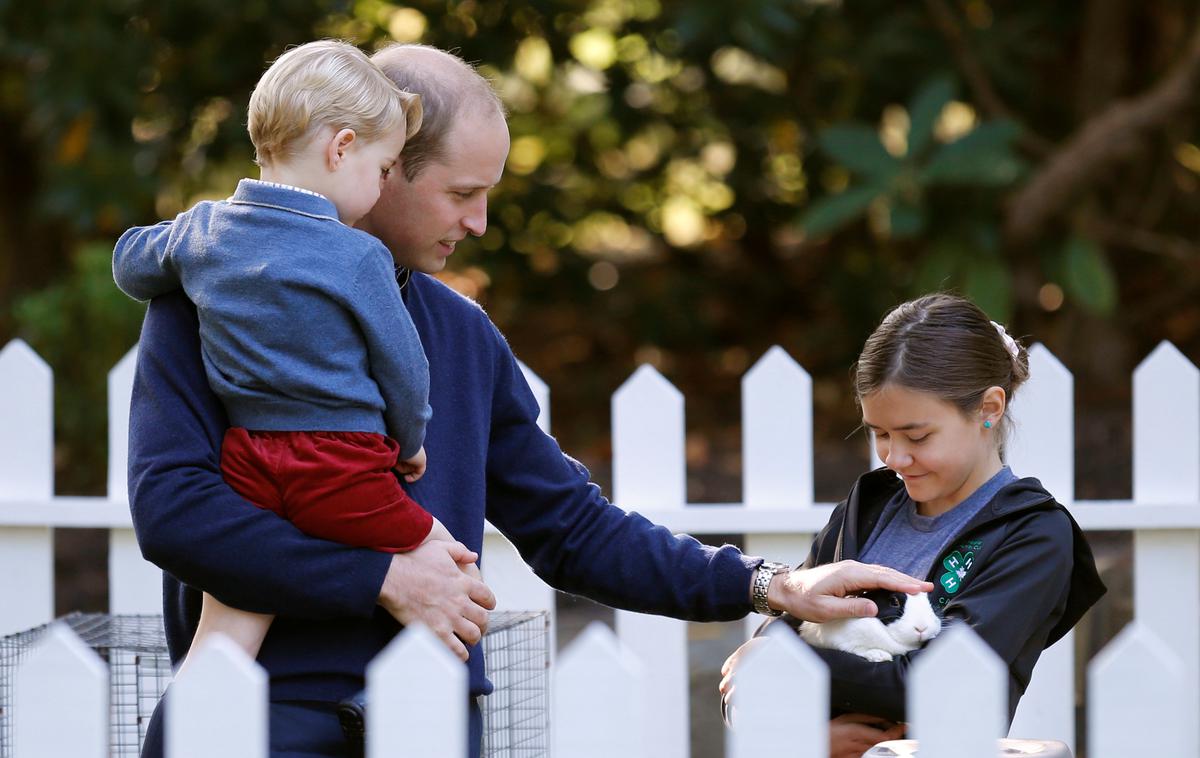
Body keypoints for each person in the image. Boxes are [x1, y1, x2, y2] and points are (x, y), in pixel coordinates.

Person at [129, 42, 932, 758]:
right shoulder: (211, 295)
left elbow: (573, 529)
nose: (479, 223)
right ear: (384, 165)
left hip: (436, 725)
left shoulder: (463, 337)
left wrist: (768, 585)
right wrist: (380, 576)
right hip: (266, 719)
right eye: (462, 193)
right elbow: (175, 510)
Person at [113, 39, 462, 678]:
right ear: (342, 147)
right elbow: (403, 373)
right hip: (343, 468)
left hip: (245, 467)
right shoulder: (359, 257)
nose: (380, 188)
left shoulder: (205, 231)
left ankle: (186, 727)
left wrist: (183, 253)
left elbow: (131, 264)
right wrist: (408, 441)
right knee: (447, 563)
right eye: (384, 169)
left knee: (225, 635)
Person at [718, 294, 1106, 758]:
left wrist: (784, 665)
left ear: (989, 408)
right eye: (880, 434)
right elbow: (761, 659)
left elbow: (940, 683)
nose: (894, 457)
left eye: (917, 436)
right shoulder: (868, 507)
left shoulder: (1033, 535)